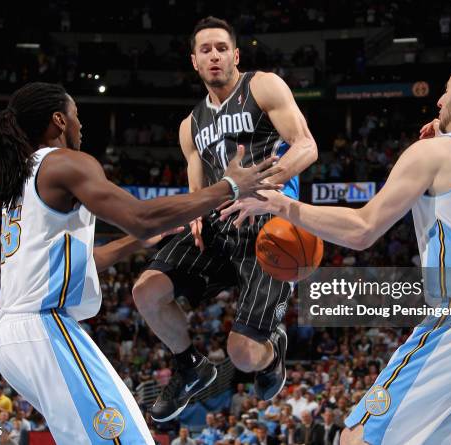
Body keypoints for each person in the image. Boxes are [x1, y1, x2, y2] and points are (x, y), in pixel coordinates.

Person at [221, 61, 451, 444]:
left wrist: (283, 206)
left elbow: (362, 230)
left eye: (446, 91)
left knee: (357, 437)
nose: (438, 101)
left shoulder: (436, 153)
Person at [0, 82, 280, 444]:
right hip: (42, 332)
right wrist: (229, 186)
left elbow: (77, 262)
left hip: (12, 341)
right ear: (59, 120)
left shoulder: (22, 179)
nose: (82, 125)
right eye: (77, 116)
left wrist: (133, 244)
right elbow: (140, 216)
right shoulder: (63, 162)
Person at [133, 16, 317, 422]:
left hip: (269, 226)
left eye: (221, 48)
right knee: (146, 291)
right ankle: (188, 366)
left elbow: (306, 146)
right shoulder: (190, 125)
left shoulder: (262, 85)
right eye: (205, 50)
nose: (214, 56)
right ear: (194, 62)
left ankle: (271, 357)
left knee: (242, 354)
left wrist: (270, 186)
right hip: (220, 226)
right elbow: (198, 191)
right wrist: (194, 214)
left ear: (235, 55)